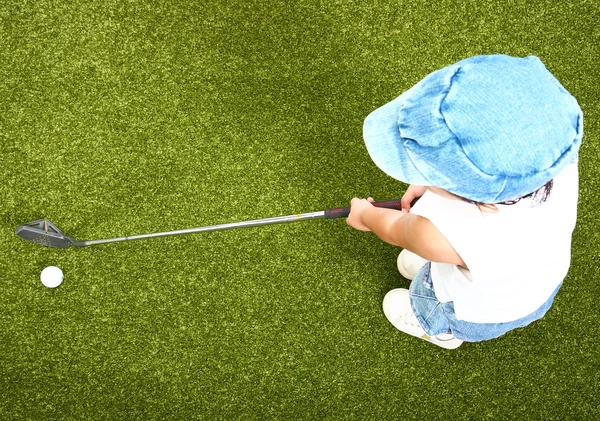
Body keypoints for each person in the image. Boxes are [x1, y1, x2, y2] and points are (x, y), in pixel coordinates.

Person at [346, 55, 583, 349]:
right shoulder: (554, 158)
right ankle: (442, 272)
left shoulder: (436, 237)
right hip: (537, 283)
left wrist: (365, 215)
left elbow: (396, 228)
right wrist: (434, 181)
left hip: (475, 311)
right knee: (441, 261)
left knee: (431, 300)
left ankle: (438, 331)